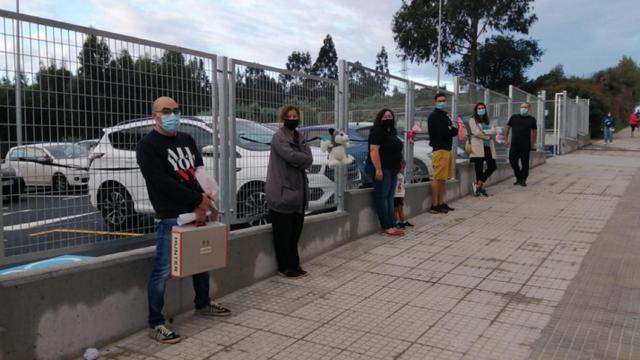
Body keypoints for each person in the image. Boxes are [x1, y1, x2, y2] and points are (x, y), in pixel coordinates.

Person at [136, 96, 230, 345]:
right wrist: (196, 202)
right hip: (171, 216)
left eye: (176, 110)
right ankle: (156, 323)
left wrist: (205, 201)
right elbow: (162, 183)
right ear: (154, 115)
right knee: (162, 270)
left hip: (197, 209)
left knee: (201, 260)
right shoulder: (147, 145)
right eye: (166, 111)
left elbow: (199, 172)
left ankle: (203, 303)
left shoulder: (186, 139)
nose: (172, 115)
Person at [266, 105, 313, 278]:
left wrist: (301, 159)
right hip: (282, 192)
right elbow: (290, 156)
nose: (293, 119)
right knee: (282, 234)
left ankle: (295, 264)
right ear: (283, 118)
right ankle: (284, 267)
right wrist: (302, 158)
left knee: (295, 233)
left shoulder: (300, 137)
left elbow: (309, 159)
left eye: (295, 116)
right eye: (289, 116)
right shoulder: (278, 137)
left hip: (298, 194)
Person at [366, 108, 405, 236]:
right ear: (380, 118)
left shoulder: (391, 132)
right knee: (382, 198)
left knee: (389, 197)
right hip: (382, 169)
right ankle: (386, 226)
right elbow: (373, 151)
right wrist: (378, 169)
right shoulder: (377, 132)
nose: (388, 118)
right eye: (385, 116)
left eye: (390, 116)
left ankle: (392, 224)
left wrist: (400, 163)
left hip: (392, 169)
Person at [427, 93, 458, 213]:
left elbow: (454, 131)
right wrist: (450, 129)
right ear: (434, 102)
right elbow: (444, 131)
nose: (442, 102)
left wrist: (450, 129)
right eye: (439, 101)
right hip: (439, 150)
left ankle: (440, 202)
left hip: (447, 150)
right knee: (437, 178)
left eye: (444, 100)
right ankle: (434, 204)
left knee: (443, 178)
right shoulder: (434, 116)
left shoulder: (445, 116)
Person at [505, 102, 537, 187]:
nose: (523, 109)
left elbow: (534, 131)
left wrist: (533, 143)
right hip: (514, 144)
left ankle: (523, 179)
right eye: (522, 107)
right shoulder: (514, 117)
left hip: (526, 145)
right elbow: (508, 128)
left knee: (525, 163)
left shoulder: (532, 119)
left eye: (525, 107)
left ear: (529, 109)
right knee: (512, 161)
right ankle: (518, 176)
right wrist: (505, 139)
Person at [468, 102, 497, 196]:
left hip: (488, 146)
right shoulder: (472, 120)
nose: (481, 110)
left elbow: (494, 130)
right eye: (479, 108)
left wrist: (483, 131)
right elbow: (476, 133)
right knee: (479, 168)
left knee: (492, 166)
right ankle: (480, 188)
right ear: (476, 110)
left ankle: (478, 184)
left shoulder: (488, 120)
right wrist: (488, 136)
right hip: (478, 147)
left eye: (482, 108)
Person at [394, 160, 413, 228]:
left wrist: (402, 195)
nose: (403, 169)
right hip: (395, 195)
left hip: (399, 195)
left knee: (400, 209)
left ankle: (402, 222)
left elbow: (402, 186)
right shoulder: (396, 175)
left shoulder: (400, 176)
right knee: (396, 209)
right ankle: (398, 222)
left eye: (404, 168)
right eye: (402, 168)